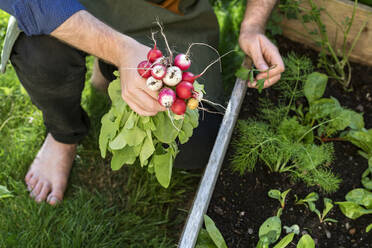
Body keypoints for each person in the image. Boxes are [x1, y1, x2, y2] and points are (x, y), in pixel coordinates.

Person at [0, 0, 284, 205]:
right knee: (39, 52)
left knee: (197, 139)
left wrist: (252, 26)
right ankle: (63, 135)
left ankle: (106, 68)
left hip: (168, 10)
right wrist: (122, 51)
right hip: (68, 5)